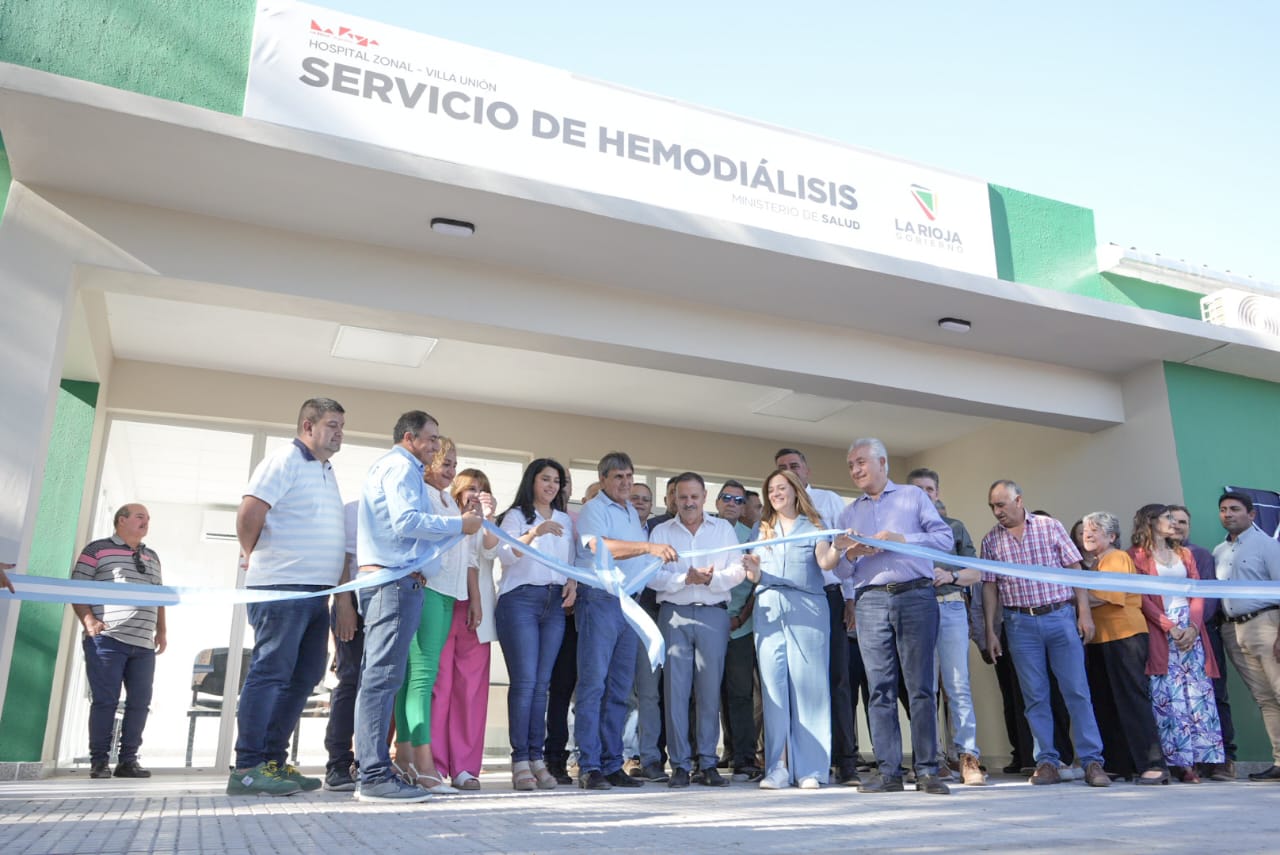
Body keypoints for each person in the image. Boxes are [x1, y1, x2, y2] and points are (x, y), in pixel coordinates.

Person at [353, 410, 482, 804]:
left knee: (388, 678)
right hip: (391, 582)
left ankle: (380, 771)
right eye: (431, 439)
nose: (434, 446)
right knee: (382, 680)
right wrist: (459, 525)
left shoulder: (399, 467)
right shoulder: (401, 468)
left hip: (400, 581)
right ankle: (374, 776)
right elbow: (407, 521)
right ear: (410, 438)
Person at [229, 398, 347, 797]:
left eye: (341, 426)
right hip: (283, 587)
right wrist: (252, 555)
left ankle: (273, 762)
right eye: (332, 425)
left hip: (317, 593)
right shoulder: (284, 459)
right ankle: (247, 767)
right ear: (308, 425)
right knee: (271, 672)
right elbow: (249, 513)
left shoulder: (326, 469)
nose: (339, 433)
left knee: (306, 675)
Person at [834, 441, 954, 795]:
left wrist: (902, 539)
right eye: (850, 465)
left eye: (861, 462)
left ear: (882, 462)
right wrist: (853, 552)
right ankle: (889, 773)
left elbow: (944, 539)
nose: (855, 470)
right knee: (879, 689)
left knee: (920, 687)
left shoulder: (913, 497)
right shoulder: (847, 514)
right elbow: (841, 570)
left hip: (915, 595)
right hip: (870, 600)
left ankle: (928, 771)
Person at [980, 479, 1110, 788]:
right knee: (1034, 696)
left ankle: (1092, 761)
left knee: (1076, 691)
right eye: (992, 507)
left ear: (1019, 500)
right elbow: (989, 586)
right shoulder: (990, 541)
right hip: (1019, 624)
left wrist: (1084, 612)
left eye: (1001, 504)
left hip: (1059, 617)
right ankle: (1047, 761)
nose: (997, 512)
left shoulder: (1049, 527)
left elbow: (1073, 569)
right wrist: (990, 630)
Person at [574, 451, 677, 790]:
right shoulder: (593, 510)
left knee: (619, 690)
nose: (625, 483)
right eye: (618, 477)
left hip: (629, 604)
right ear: (603, 479)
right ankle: (589, 766)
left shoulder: (632, 512)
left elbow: (640, 560)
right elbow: (601, 547)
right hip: (600, 601)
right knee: (594, 686)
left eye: (629, 477)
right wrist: (648, 549)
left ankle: (611, 762)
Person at [649, 472, 746, 788]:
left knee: (708, 692)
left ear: (705, 497)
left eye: (694, 496)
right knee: (675, 691)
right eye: (682, 497)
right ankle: (679, 764)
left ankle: (707, 762)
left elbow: (737, 571)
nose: (688, 502)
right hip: (674, 615)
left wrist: (709, 580)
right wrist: (683, 580)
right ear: (673, 498)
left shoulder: (724, 531)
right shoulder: (661, 531)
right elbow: (650, 575)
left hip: (713, 615)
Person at [748, 468, 839, 789]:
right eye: (771, 489)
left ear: (795, 489)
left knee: (810, 690)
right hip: (770, 610)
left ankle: (812, 770)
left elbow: (826, 562)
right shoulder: (762, 529)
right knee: (774, 690)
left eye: (781, 487)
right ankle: (778, 767)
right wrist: (751, 569)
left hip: (808, 611)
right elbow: (753, 574)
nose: (775, 493)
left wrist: (839, 546)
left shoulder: (814, 525)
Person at [774, 447, 858, 785]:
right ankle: (796, 763)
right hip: (792, 600)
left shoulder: (830, 501)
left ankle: (846, 762)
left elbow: (845, 547)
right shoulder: (776, 512)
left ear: (807, 471)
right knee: (796, 684)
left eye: (795, 466)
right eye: (782, 469)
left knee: (838, 680)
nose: (790, 471)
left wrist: (850, 599)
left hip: (831, 596)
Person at [391, 438, 471, 795]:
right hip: (429, 588)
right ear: (426, 464)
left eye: (454, 464)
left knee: (415, 678)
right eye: (444, 463)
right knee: (421, 678)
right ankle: (424, 764)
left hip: (447, 593)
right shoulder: (422, 495)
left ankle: (405, 755)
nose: (450, 471)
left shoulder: (445, 499)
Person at [496, 458, 577, 790]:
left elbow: (569, 561)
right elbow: (505, 556)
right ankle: (520, 760)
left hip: (554, 603)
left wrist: (572, 581)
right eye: (546, 479)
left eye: (556, 481)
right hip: (521, 601)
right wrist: (533, 532)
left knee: (542, 684)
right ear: (532, 481)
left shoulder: (564, 519)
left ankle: (536, 757)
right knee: (525, 682)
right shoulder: (516, 516)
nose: (552, 486)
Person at [1127, 504, 1223, 783]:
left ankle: (1202, 757)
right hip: (1161, 629)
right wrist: (1170, 627)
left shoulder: (1185, 554)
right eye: (1167, 517)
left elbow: (1197, 590)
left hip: (1191, 628)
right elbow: (1141, 597)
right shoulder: (1135, 557)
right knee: (1169, 696)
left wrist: (1193, 627)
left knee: (1197, 694)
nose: (1173, 523)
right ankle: (1180, 763)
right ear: (1150, 522)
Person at [70, 504, 165, 779]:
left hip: (143, 644)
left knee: (140, 703)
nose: (146, 521)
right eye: (139, 517)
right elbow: (77, 587)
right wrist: (89, 621)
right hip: (108, 640)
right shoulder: (97, 549)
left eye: (148, 517)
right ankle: (99, 762)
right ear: (121, 521)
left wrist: (162, 631)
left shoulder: (152, 556)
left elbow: (160, 596)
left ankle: (128, 761)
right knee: (105, 701)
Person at [906, 467, 986, 786]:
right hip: (915, 609)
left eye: (929, 489)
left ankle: (968, 756)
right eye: (917, 490)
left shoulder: (954, 527)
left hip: (951, 605)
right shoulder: (901, 531)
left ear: (937, 493)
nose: (924, 494)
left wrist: (951, 576)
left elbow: (977, 571)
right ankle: (932, 758)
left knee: (958, 685)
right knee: (924, 687)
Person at [1079, 512, 1168, 784]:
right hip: (1100, 640)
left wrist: (1071, 597)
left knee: (1132, 700)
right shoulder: (1094, 564)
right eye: (1085, 530)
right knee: (1105, 702)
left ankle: (1153, 764)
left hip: (1124, 636)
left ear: (1112, 537)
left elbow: (1106, 597)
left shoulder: (1116, 558)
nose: (1088, 535)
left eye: (1095, 530)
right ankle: (1119, 763)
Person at [429, 465, 500, 791]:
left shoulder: (487, 521)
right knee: (438, 689)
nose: (476, 492)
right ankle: (434, 764)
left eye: (482, 487)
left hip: (476, 613)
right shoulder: (443, 513)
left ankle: (465, 768)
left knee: (470, 693)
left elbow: (490, 549)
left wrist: (488, 516)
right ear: (457, 489)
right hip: (443, 604)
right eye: (471, 487)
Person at [1213, 491, 1280, 782]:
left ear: (1251, 515)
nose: (1228, 514)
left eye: (1235, 509)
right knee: (1265, 698)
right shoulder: (1219, 551)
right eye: (1224, 509)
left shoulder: (1267, 546)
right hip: (1234, 630)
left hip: (1266, 625)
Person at [1167, 503, 1237, 779]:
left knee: (1215, 694)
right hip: (1170, 637)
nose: (1177, 527)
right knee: (1178, 700)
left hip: (1204, 634)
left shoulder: (1201, 555)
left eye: (1183, 522)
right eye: (1172, 522)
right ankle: (1187, 758)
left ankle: (1225, 758)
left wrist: (1193, 628)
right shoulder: (1153, 557)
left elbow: (1208, 595)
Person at [323, 500, 364, 791]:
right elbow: (343, 558)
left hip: (389, 604)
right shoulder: (355, 510)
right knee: (350, 680)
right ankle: (338, 763)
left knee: (378, 684)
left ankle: (368, 764)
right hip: (353, 605)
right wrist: (344, 603)